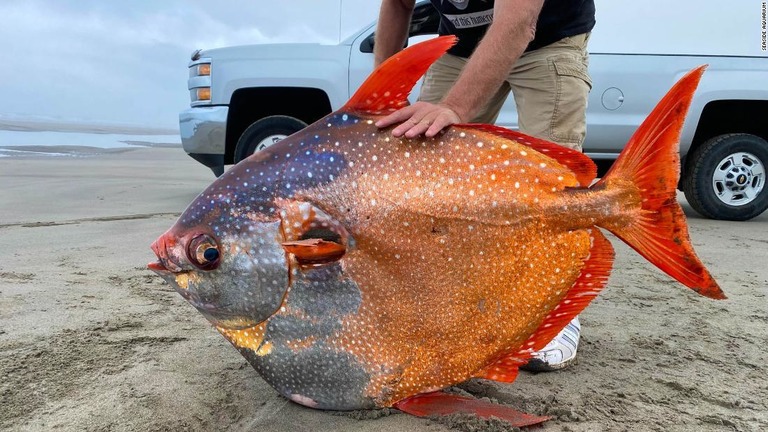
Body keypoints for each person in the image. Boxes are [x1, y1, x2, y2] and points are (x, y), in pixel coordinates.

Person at [374, 0, 595, 371]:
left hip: (549, 35)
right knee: (423, 170)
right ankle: (442, 304)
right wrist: (382, 97)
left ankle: (554, 314)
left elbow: (518, 22)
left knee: (554, 180)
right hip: (461, 45)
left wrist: (455, 108)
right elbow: (397, 4)